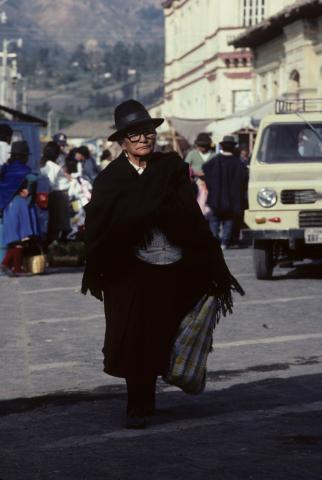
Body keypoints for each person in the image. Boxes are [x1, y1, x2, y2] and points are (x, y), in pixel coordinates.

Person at [81, 100, 244, 429]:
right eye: (136, 134)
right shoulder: (111, 180)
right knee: (131, 336)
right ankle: (135, 404)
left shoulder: (169, 168)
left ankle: (148, 399)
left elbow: (190, 216)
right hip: (126, 271)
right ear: (123, 141)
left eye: (149, 132)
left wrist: (208, 262)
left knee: (158, 333)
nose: (144, 138)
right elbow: (100, 226)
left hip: (169, 267)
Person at [0, 141, 39, 275]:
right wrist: (28, 191)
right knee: (21, 237)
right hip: (19, 205)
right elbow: (33, 178)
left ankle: (14, 267)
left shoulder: (6, 168)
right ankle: (8, 265)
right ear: (24, 156)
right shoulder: (23, 169)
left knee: (14, 238)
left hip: (7, 205)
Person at [203, 135, 247, 249]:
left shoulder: (214, 162)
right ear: (233, 148)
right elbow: (244, 180)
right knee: (229, 220)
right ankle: (225, 242)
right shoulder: (239, 163)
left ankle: (214, 240)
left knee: (214, 220)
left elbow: (205, 170)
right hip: (232, 198)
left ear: (222, 146)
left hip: (216, 197)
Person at [40, 141, 71, 244]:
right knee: (60, 225)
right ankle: (56, 247)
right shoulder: (53, 167)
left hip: (54, 195)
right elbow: (50, 183)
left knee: (54, 224)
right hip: (58, 196)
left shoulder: (42, 164)